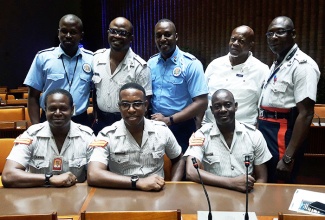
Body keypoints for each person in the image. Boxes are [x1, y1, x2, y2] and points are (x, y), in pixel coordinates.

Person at [87, 83, 184, 191]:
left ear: (146, 106)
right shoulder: (107, 135)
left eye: (137, 104)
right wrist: (138, 182)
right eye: (125, 104)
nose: (131, 109)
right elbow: (93, 174)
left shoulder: (162, 131)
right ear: (119, 107)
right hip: (122, 194)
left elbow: (179, 159)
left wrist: (174, 186)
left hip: (157, 195)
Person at [258, 16, 320, 183]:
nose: (274, 37)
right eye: (270, 34)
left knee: (279, 183)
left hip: (282, 133)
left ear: (293, 34)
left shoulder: (303, 65)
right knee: (266, 179)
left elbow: (306, 114)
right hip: (266, 128)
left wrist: (288, 158)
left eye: (280, 32)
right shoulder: (278, 62)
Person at [2, 89, 95, 188]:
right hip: (37, 198)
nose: (58, 113)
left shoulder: (87, 137)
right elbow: (8, 176)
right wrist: (48, 178)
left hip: (76, 198)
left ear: (72, 110)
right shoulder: (31, 135)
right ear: (45, 110)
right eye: (52, 108)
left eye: (63, 108)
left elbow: (95, 175)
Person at [184, 89, 272, 193]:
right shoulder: (202, 135)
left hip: (245, 198)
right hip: (213, 198)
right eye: (217, 106)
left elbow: (262, 178)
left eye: (228, 105)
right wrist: (232, 183)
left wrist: (253, 202)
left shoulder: (254, 135)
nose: (223, 110)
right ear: (212, 110)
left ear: (236, 106)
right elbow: (191, 172)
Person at [148, 19, 208, 152]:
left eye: (167, 34)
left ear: (176, 37)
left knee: (181, 167)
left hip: (181, 126)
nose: (163, 39)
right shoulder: (150, 64)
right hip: (155, 125)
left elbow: (202, 102)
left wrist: (170, 120)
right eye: (158, 35)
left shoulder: (191, 64)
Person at [24, 14, 93, 127]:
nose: (68, 35)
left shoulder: (91, 59)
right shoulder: (43, 57)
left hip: (80, 120)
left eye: (73, 32)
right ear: (58, 33)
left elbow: (97, 94)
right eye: (64, 31)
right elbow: (33, 97)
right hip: (49, 119)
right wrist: (36, 128)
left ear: (81, 35)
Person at [92, 17, 152, 134]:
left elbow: (145, 104)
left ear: (131, 38)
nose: (117, 36)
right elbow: (94, 91)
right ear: (108, 33)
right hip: (101, 123)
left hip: (128, 124)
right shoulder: (96, 58)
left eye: (123, 33)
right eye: (113, 31)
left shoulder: (140, 67)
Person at [203, 25, 269, 126]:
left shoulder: (261, 70)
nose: (235, 44)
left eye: (241, 41)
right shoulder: (214, 65)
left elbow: (262, 106)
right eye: (233, 39)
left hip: (245, 131)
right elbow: (202, 97)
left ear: (251, 45)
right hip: (210, 128)